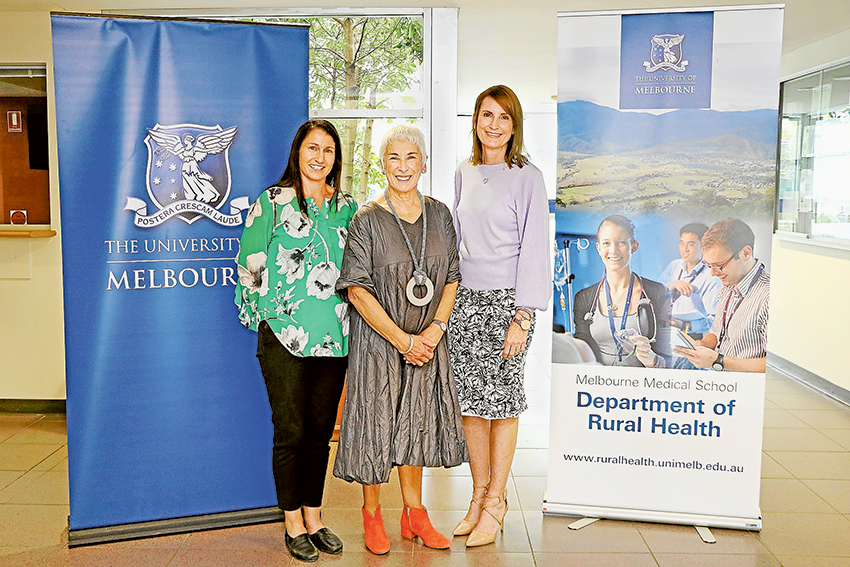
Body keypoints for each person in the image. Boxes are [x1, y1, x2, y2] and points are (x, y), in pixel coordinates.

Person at [333, 125, 466, 555]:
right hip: (378, 344)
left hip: (428, 342)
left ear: (423, 164)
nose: (403, 167)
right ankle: (372, 512)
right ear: (382, 165)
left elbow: (450, 277)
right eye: (394, 158)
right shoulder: (366, 220)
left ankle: (414, 513)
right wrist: (402, 340)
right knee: (376, 425)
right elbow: (356, 289)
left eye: (412, 158)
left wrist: (433, 331)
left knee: (416, 424)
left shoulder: (440, 214)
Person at [234, 120, 355, 563]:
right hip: (284, 338)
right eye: (312, 148)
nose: (319, 157)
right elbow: (249, 264)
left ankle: (315, 515)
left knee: (321, 435)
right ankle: (291, 520)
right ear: (297, 152)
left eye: (328, 150)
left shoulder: (347, 208)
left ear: (335, 159)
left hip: (335, 341)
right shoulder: (272, 201)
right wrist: (264, 320)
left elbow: (358, 274)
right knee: (291, 432)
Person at [450, 85, 551, 547]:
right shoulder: (464, 171)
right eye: (486, 115)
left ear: (515, 126)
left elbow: (534, 248)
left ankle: (497, 502)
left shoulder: (528, 176)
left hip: (509, 304)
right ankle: (477, 497)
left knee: (503, 403)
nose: (494, 124)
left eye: (504, 117)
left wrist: (523, 317)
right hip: (466, 302)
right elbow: (455, 241)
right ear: (475, 121)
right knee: (472, 406)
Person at [573, 214, 672, 368]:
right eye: (606, 243)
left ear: (634, 246)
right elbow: (581, 353)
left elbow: (671, 360)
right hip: (598, 386)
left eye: (621, 243)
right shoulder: (584, 298)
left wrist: (653, 361)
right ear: (598, 248)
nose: (613, 250)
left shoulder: (657, 293)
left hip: (643, 386)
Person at [674, 218, 770, 373]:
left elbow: (771, 365)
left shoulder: (768, 297)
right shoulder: (726, 287)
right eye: (709, 265)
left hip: (745, 389)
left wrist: (718, 361)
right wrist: (703, 344)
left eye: (719, 265)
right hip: (718, 383)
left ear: (745, 253)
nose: (713, 273)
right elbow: (717, 333)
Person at [659, 223, 721, 369]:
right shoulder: (674, 266)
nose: (685, 249)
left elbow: (714, 321)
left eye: (691, 244)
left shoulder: (711, 277)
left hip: (691, 338)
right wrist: (672, 285)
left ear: (703, 247)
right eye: (682, 243)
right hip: (665, 332)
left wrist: (684, 324)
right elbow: (655, 294)